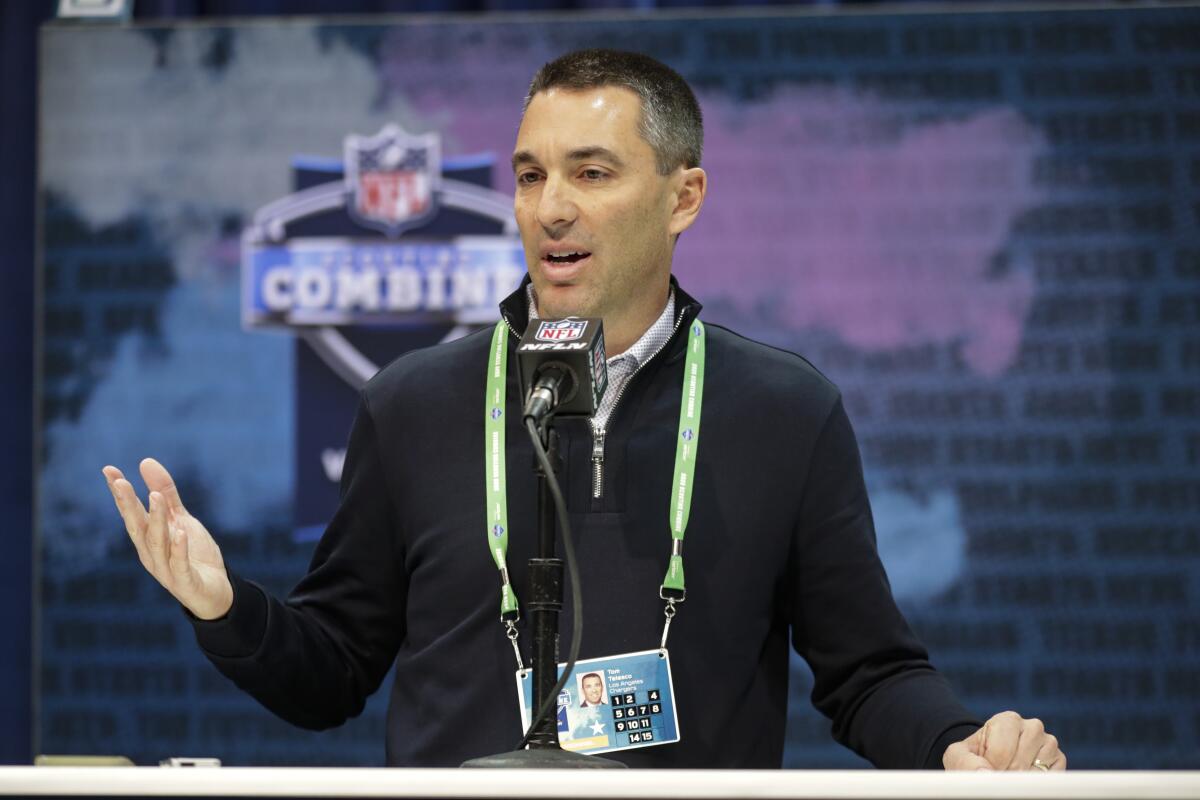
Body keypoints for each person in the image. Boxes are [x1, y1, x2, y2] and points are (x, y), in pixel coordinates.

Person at [102, 49, 1065, 772]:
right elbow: (334, 671)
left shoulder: (783, 411)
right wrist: (226, 609)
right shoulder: (416, 404)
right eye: (530, 176)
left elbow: (869, 673)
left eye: (592, 174)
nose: (550, 208)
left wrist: (958, 744)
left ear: (683, 197)